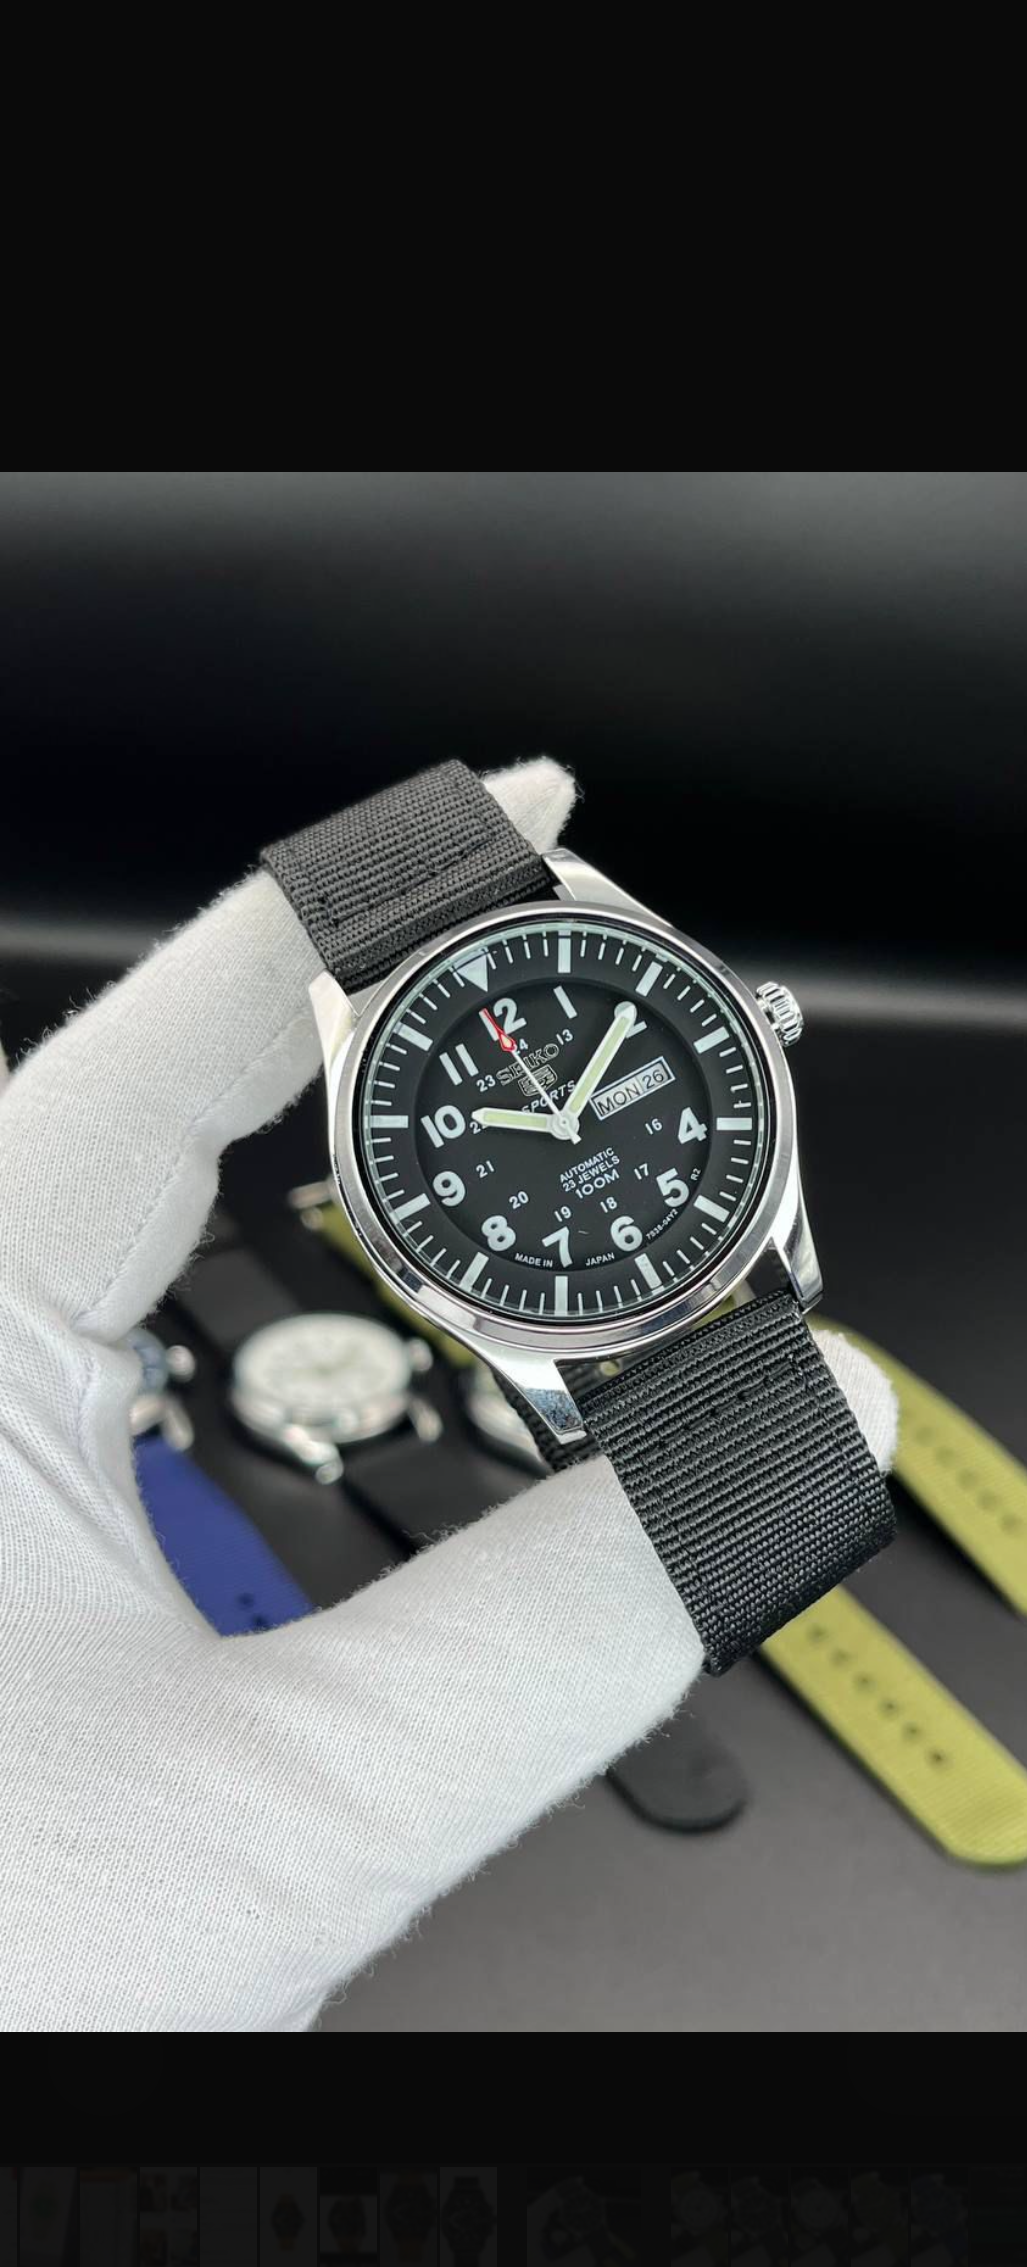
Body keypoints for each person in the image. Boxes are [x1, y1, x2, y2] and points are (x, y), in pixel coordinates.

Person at [0, 759, 894, 2031]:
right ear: (377, 1200)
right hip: (575, 1317)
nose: (570, 1134)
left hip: (719, 1255)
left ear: (756, 1024)